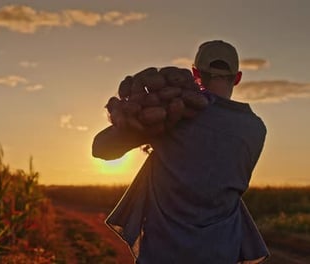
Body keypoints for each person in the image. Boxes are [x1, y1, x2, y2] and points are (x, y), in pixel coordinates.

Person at [92, 40, 269, 263]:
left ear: (195, 73)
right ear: (237, 78)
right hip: (222, 252)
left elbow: (101, 149)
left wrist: (136, 119)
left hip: (164, 253)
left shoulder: (176, 114)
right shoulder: (255, 129)